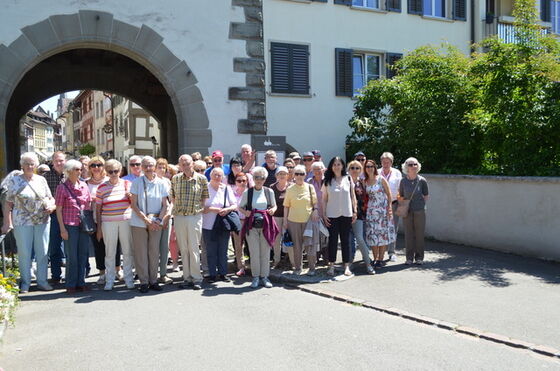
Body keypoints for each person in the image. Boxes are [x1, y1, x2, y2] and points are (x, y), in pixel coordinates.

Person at [2, 153, 55, 293]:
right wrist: (7, 222)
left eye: (32, 163)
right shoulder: (15, 181)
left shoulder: (41, 180)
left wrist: (51, 206)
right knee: (24, 252)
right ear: (22, 165)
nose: (30, 166)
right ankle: (25, 283)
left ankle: (42, 281)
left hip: (42, 220)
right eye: (27, 163)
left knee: (42, 252)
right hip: (22, 221)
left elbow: (50, 198)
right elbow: (8, 203)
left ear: (36, 165)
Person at [130, 156, 169, 293]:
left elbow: (165, 204)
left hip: (156, 222)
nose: (148, 168)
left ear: (155, 166)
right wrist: (146, 220)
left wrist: (158, 220)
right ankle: (144, 281)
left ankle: (153, 280)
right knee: (141, 252)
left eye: (151, 165)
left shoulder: (162, 183)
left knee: (154, 251)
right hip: (139, 222)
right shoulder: (136, 182)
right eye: (145, 165)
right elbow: (133, 204)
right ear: (141, 167)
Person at [170, 154, 209, 290]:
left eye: (188, 163)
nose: (185, 166)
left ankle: (197, 278)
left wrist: (199, 209)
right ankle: (187, 277)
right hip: (180, 217)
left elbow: (204, 197)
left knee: (194, 248)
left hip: (194, 216)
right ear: (180, 166)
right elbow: (173, 197)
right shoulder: (175, 179)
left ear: (193, 164)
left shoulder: (202, 179)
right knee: (184, 248)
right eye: (183, 164)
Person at [96, 159, 135, 291]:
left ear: (120, 171)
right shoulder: (101, 187)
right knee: (110, 252)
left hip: (126, 221)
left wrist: (131, 196)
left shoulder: (127, 184)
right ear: (106, 172)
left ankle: (129, 279)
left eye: (116, 171)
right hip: (107, 222)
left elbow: (133, 203)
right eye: (110, 171)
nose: (113, 174)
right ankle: (110, 280)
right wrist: (99, 228)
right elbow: (98, 208)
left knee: (128, 251)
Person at [55, 159, 92, 294]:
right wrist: (62, 229)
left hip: (83, 225)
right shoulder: (62, 188)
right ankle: (71, 283)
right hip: (69, 225)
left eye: (80, 169)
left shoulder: (84, 185)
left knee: (83, 254)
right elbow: (58, 209)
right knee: (71, 256)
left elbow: (88, 204)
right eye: (77, 169)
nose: (80, 172)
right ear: (69, 171)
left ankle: (81, 282)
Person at [239, 166, 278, 289]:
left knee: (265, 252)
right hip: (251, 226)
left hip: (266, 224)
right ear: (253, 178)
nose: (259, 180)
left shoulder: (268, 191)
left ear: (265, 178)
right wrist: (246, 213)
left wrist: (272, 210)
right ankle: (255, 277)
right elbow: (240, 207)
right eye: (256, 177)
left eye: (261, 177)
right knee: (254, 252)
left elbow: (274, 206)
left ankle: (264, 277)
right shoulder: (248, 192)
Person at [86, 156, 121, 286]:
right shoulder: (85, 183)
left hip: (110, 217)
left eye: (99, 165)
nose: (96, 168)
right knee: (99, 246)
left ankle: (118, 269)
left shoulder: (110, 179)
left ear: (104, 167)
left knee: (115, 245)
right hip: (94, 218)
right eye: (93, 165)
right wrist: (91, 199)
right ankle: (102, 272)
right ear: (89, 168)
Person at [322, 157, 357, 277]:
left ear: (342, 166)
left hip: (346, 214)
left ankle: (346, 266)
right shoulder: (327, 181)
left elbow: (353, 196)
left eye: (339, 164)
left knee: (345, 240)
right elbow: (324, 199)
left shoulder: (348, 178)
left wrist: (355, 211)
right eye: (334, 164)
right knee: (332, 241)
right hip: (332, 214)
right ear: (331, 166)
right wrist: (324, 214)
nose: (337, 166)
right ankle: (331, 265)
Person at [283, 165, 319, 276]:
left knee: (310, 245)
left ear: (305, 175)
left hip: (308, 221)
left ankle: (312, 268)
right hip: (293, 221)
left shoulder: (310, 187)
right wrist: (285, 221)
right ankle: (298, 268)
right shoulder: (289, 189)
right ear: (293, 175)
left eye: (302, 174)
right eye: (297, 173)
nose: (299, 176)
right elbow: (286, 206)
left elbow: (315, 202)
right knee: (297, 246)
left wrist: (315, 210)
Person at [202, 168, 237, 282]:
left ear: (223, 177)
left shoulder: (226, 188)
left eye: (220, 175)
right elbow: (200, 207)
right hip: (208, 224)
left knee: (223, 249)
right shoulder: (204, 188)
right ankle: (212, 274)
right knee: (211, 250)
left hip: (223, 223)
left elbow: (234, 205)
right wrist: (212, 209)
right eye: (215, 175)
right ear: (210, 176)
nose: (217, 177)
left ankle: (223, 273)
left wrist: (226, 210)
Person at [363, 159, 395, 269]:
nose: (369, 168)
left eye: (371, 166)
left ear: (375, 168)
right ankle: (375, 258)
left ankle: (380, 259)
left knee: (382, 236)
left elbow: (389, 194)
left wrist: (389, 208)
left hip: (383, 211)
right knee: (372, 235)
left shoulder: (381, 179)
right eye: (367, 166)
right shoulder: (365, 181)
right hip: (371, 212)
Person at [399, 157, 429, 265]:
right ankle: (409, 258)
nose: (413, 166)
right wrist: (404, 205)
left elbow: (426, 195)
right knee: (408, 234)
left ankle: (419, 257)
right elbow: (401, 195)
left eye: (415, 164)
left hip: (419, 210)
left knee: (419, 234)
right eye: (410, 165)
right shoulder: (403, 181)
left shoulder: (422, 180)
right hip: (407, 211)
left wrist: (421, 206)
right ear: (406, 167)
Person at [43, 151, 66, 284]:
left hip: (67, 215)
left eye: (61, 160)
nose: (59, 163)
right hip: (52, 215)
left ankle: (72, 275)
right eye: (57, 160)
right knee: (54, 245)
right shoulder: (45, 177)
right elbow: (43, 196)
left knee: (69, 247)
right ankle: (56, 275)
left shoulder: (70, 175)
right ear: (52, 162)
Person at [347, 160, 374, 274]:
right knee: (347, 241)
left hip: (358, 215)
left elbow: (365, 199)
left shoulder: (362, 183)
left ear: (361, 170)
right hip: (345, 215)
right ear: (348, 170)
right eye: (352, 168)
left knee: (360, 239)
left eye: (357, 168)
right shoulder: (344, 182)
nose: (354, 170)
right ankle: (348, 264)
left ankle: (368, 263)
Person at [379, 152, 402, 262]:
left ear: (391, 162)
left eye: (388, 162)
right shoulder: (377, 172)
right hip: (379, 205)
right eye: (383, 162)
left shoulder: (397, 173)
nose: (385, 164)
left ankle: (392, 252)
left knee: (393, 229)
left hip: (394, 204)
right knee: (381, 228)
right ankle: (381, 252)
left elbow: (400, 189)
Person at [269, 166, 293, 269]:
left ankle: (293, 262)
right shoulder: (272, 187)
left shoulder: (292, 186)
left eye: (284, 174)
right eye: (280, 174)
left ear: (288, 175)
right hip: (276, 217)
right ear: (276, 176)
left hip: (289, 217)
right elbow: (270, 203)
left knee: (290, 240)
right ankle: (276, 260)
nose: (282, 176)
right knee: (276, 240)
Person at [155, 157, 173, 284]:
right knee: (153, 247)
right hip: (154, 217)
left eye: (163, 167)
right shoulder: (151, 181)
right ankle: (152, 273)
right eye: (159, 167)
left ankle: (163, 273)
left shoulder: (167, 181)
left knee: (164, 247)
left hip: (167, 216)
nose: (161, 170)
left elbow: (171, 200)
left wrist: (169, 214)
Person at [307, 161, 328, 263]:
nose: (317, 171)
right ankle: (316, 257)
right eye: (315, 169)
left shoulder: (328, 181)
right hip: (315, 213)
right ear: (312, 171)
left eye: (319, 169)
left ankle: (327, 257)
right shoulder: (309, 182)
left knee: (327, 236)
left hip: (328, 212)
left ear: (323, 170)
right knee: (317, 236)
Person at [231, 172, 248, 276]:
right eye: (239, 181)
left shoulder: (250, 192)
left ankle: (253, 265)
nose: (242, 183)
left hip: (249, 222)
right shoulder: (232, 193)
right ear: (235, 182)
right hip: (237, 221)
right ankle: (241, 267)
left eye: (244, 180)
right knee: (238, 245)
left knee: (251, 245)